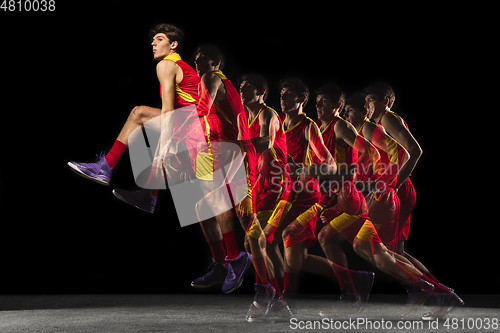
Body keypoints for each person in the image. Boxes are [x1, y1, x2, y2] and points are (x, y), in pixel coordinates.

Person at [345, 90, 463, 320]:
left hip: (397, 188)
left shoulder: (385, 119)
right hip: (394, 187)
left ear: (385, 101)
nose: (367, 105)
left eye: (371, 100)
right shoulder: (376, 125)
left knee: (373, 248)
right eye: (366, 101)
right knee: (394, 251)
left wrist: (391, 185)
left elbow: (412, 151)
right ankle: (436, 293)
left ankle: (433, 292)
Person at [68, 23, 198, 215]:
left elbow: (169, 111)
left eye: (160, 39)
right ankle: (149, 195)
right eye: (153, 40)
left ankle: (106, 168)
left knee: (141, 114)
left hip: (199, 130)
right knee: (150, 121)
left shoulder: (167, 65)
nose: (153, 43)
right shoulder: (181, 66)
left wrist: (164, 147)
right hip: (198, 127)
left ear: (173, 45)